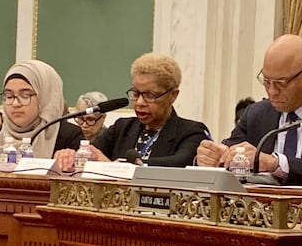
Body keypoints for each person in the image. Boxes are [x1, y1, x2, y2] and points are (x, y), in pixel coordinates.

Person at [196, 34, 302, 184]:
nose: (272, 91)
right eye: (266, 81)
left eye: (281, 83)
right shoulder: (256, 113)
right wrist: (209, 158)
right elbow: (231, 154)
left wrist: (276, 164)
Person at [54, 53, 209, 171]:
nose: (140, 103)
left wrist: (116, 168)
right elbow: (93, 153)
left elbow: (178, 165)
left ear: (172, 96)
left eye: (149, 95)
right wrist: (72, 155)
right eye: (136, 93)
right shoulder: (122, 128)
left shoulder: (192, 132)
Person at [0, 60, 84, 163]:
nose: (15, 104)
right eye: (9, 96)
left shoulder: (69, 136)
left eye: (25, 96)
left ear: (45, 97)